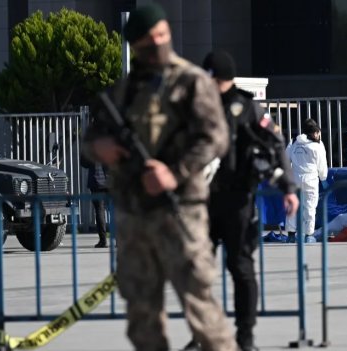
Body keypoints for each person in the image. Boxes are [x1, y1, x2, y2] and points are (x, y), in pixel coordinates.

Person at [82, 5, 237, 351]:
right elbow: (89, 140)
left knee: (202, 309)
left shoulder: (192, 82)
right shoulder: (121, 92)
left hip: (179, 210)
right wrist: (101, 147)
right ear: (135, 44)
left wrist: (175, 172)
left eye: (162, 36)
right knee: (142, 316)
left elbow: (216, 137)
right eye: (149, 40)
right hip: (134, 215)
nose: (158, 45)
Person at [202, 50, 298, 351]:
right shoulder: (197, 107)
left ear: (218, 78)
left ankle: (245, 337)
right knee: (197, 273)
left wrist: (288, 188)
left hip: (238, 201)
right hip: (202, 201)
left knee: (241, 268)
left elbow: (275, 145)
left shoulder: (247, 108)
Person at [286, 118, 328, 238]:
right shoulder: (318, 145)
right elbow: (322, 166)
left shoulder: (294, 141)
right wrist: (323, 177)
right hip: (311, 180)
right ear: (314, 132)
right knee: (310, 207)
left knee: (292, 205)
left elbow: (285, 159)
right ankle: (308, 235)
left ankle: (290, 235)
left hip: (295, 179)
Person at [80, 157, 109, 248]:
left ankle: (103, 241)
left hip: (96, 183)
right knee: (115, 211)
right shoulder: (111, 143)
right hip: (110, 182)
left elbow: (84, 163)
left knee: (99, 211)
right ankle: (119, 241)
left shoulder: (91, 145)